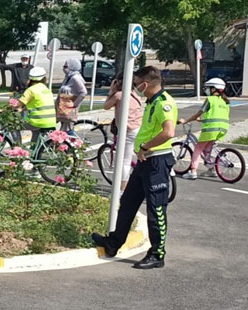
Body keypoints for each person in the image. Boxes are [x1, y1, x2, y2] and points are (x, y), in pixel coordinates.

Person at [92, 66, 177, 270]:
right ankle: (113, 243)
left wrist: (146, 146)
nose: (135, 87)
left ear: (145, 84)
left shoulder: (165, 103)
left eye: (137, 83)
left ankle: (157, 253)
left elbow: (169, 132)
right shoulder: (152, 101)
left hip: (157, 161)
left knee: (156, 209)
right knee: (128, 202)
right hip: (144, 160)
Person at [178, 78, 231, 180]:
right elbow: (217, 116)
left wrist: (186, 121)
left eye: (208, 88)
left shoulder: (210, 100)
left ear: (213, 89)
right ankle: (212, 169)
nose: (206, 90)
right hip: (222, 128)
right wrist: (202, 120)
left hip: (211, 129)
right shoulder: (224, 101)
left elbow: (199, 113)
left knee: (198, 149)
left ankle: (193, 171)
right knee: (207, 149)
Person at [103, 74, 144, 190]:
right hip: (138, 128)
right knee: (137, 156)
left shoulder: (118, 95)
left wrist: (111, 91)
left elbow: (106, 106)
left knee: (124, 161)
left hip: (128, 131)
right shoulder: (135, 94)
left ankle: (122, 189)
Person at [11, 67, 56, 144]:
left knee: (13, 127)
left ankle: (17, 148)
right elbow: (37, 104)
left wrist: (8, 108)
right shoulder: (46, 89)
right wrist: (22, 110)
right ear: (44, 78)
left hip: (37, 121)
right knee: (36, 134)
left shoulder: (31, 90)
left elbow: (18, 104)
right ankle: (35, 153)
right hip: (51, 121)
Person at [58, 59, 88, 134]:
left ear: (72, 67)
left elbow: (83, 92)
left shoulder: (75, 78)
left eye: (66, 66)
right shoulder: (68, 77)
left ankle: (76, 144)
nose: (64, 68)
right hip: (63, 107)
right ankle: (70, 144)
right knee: (65, 129)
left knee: (68, 129)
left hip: (69, 108)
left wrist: (74, 104)